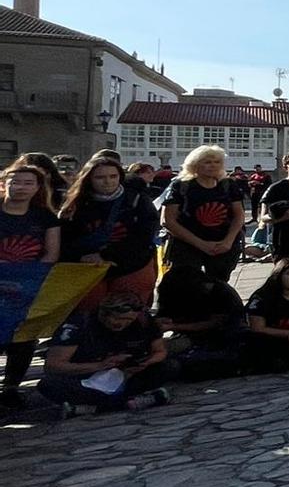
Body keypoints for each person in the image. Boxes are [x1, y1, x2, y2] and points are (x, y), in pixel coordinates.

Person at [59, 150, 160, 313]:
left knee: (129, 312)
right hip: (88, 267)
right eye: (100, 177)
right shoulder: (75, 204)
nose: (108, 182)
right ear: (88, 179)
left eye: (113, 176)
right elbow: (65, 239)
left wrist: (108, 255)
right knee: (89, 313)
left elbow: (145, 235)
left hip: (131, 264)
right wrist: (80, 256)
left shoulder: (137, 200)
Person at [34, 292, 170, 414]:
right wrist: (100, 365)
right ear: (103, 313)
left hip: (126, 375)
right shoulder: (79, 325)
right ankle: (127, 403)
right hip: (86, 376)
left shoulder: (143, 322)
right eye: (117, 319)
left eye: (128, 320)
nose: (121, 324)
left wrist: (145, 362)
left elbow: (160, 351)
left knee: (167, 367)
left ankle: (95, 407)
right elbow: (53, 366)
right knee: (48, 385)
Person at [0, 156, 62, 402]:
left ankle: (11, 388)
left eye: (28, 183)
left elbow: (51, 253)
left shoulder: (45, 217)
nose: (21, 187)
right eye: (15, 182)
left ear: (37, 187)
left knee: (23, 339)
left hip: (27, 284)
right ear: (5, 183)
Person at [160, 146, 245, 280]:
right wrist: (201, 244)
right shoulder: (181, 186)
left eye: (217, 162)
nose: (213, 166)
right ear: (195, 164)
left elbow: (239, 216)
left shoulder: (228, 185)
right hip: (187, 246)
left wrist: (228, 242)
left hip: (222, 245)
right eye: (207, 162)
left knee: (218, 286)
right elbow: (167, 220)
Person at [156, 262, 245, 380]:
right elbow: (164, 313)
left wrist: (174, 327)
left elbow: (215, 323)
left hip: (221, 337)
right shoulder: (175, 292)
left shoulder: (220, 292)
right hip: (191, 335)